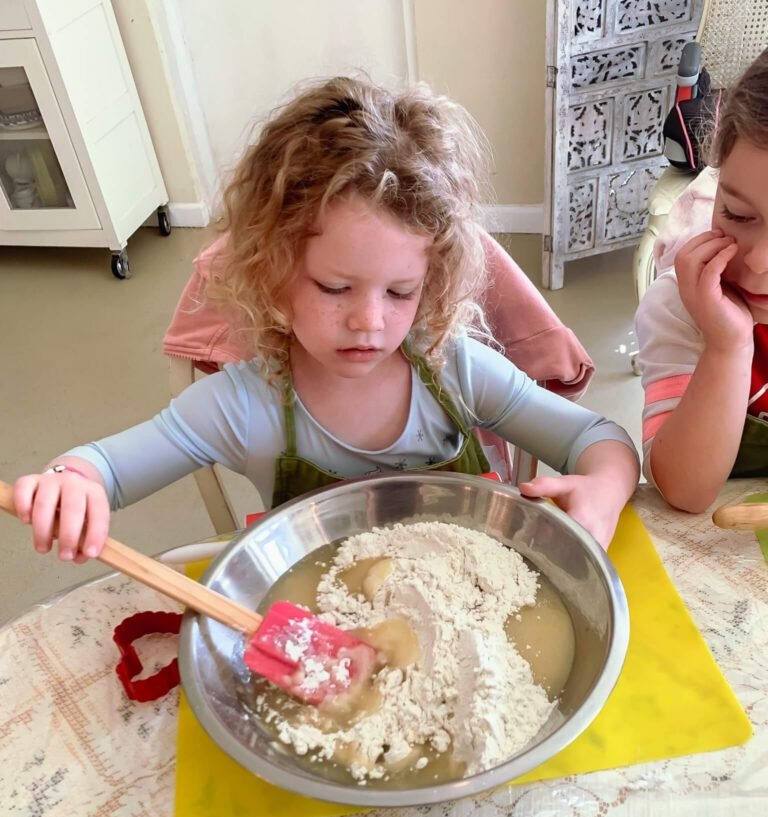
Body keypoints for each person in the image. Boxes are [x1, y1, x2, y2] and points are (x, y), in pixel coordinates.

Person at [13, 76, 638, 559]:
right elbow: (109, 467)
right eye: (335, 287)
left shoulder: (456, 373)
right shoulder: (245, 407)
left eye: (401, 292)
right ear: (273, 268)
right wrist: (72, 479)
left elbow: (601, 440)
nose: (369, 321)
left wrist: (603, 493)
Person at [636, 48, 768, 512]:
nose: (757, 263)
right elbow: (683, 490)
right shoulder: (681, 305)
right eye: (738, 214)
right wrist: (728, 347)